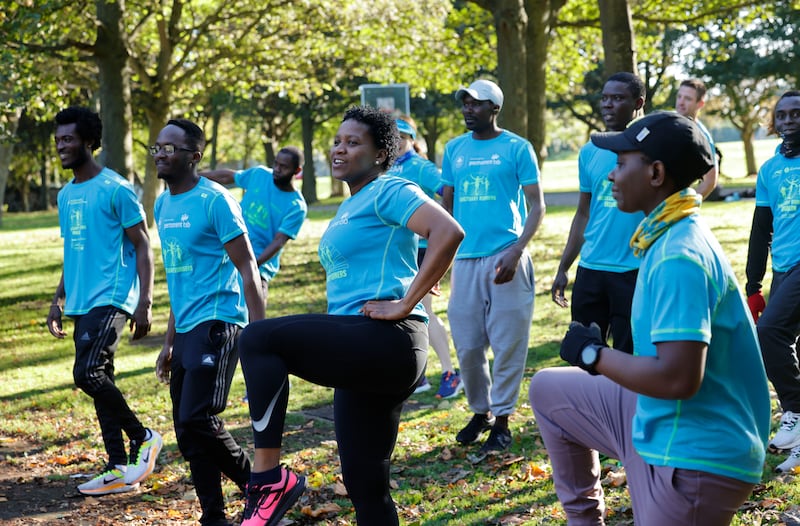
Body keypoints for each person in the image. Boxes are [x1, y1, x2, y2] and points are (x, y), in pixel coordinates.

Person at [530, 111, 771, 525]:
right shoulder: (663, 236)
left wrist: (593, 355)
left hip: (699, 452)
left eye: (621, 164)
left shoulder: (680, 255)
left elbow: (678, 379)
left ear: (656, 173)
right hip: (663, 421)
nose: (611, 176)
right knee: (549, 390)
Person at [235, 106, 464, 526]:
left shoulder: (389, 189)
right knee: (366, 488)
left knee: (257, 339)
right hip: (361, 349)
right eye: (338, 141)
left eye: (353, 142)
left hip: (388, 338)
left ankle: (268, 480)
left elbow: (447, 232)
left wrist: (405, 302)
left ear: (380, 154)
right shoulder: (352, 204)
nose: (340, 149)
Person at [152, 118, 265, 526]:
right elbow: (178, 276)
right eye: (157, 148)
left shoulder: (215, 200)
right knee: (189, 432)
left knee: (196, 418)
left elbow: (248, 267)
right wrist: (169, 341)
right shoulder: (162, 204)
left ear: (194, 157)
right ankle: (214, 517)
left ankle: (263, 488)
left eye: (170, 148)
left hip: (219, 320)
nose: (161, 154)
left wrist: (260, 335)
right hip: (186, 328)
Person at [47, 106, 162, 496]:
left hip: (113, 295)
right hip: (82, 300)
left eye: (69, 139)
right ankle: (117, 466)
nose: (62, 146)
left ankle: (142, 435)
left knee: (87, 373)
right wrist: (58, 299)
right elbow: (73, 252)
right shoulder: (66, 195)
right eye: (59, 139)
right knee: (101, 379)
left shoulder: (115, 188)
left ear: (89, 142)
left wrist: (145, 300)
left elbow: (143, 244)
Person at [441, 79, 546, 453]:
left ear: (494, 108)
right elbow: (445, 210)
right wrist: (437, 261)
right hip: (466, 261)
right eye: (465, 103)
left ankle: (501, 421)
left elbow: (537, 205)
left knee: (507, 345)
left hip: (507, 258)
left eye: (477, 104)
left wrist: (517, 250)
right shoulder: (453, 150)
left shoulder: (518, 148)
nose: (469, 109)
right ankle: (480, 411)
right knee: (468, 346)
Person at [551, 72, 646, 355]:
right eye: (605, 98)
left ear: (637, 102)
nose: (608, 105)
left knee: (631, 355)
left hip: (634, 271)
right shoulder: (589, 151)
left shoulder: (651, 150)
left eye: (618, 98)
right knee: (583, 353)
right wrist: (564, 266)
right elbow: (583, 214)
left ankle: (626, 403)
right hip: (591, 270)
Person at [387, 115, 463, 399]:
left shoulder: (420, 167)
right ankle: (418, 376)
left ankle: (449, 373)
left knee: (426, 312)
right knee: (406, 313)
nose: (397, 143)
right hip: (395, 250)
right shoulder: (383, 168)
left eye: (402, 138)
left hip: (421, 249)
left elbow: (448, 192)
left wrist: (440, 249)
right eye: (392, 138)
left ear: (411, 140)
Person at [745, 90, 800, 473]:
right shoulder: (769, 169)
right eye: (781, 115)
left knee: (770, 334)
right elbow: (761, 228)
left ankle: (796, 409)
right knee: (783, 342)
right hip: (783, 268)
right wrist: (753, 283)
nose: (788, 121)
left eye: (796, 114)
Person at [200, 146, 308, 309]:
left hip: (259, 265)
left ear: (297, 170)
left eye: (283, 167)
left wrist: (252, 265)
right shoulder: (260, 174)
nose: (277, 170)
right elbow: (226, 176)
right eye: (276, 164)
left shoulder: (296, 205)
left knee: (254, 316)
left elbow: (278, 242)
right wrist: (194, 177)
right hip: (228, 253)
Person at [675, 78, 719, 198]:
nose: (681, 102)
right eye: (679, 96)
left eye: (688, 99)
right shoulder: (666, 124)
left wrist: (685, 206)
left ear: (700, 104)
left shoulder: (701, 137)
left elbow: (710, 181)